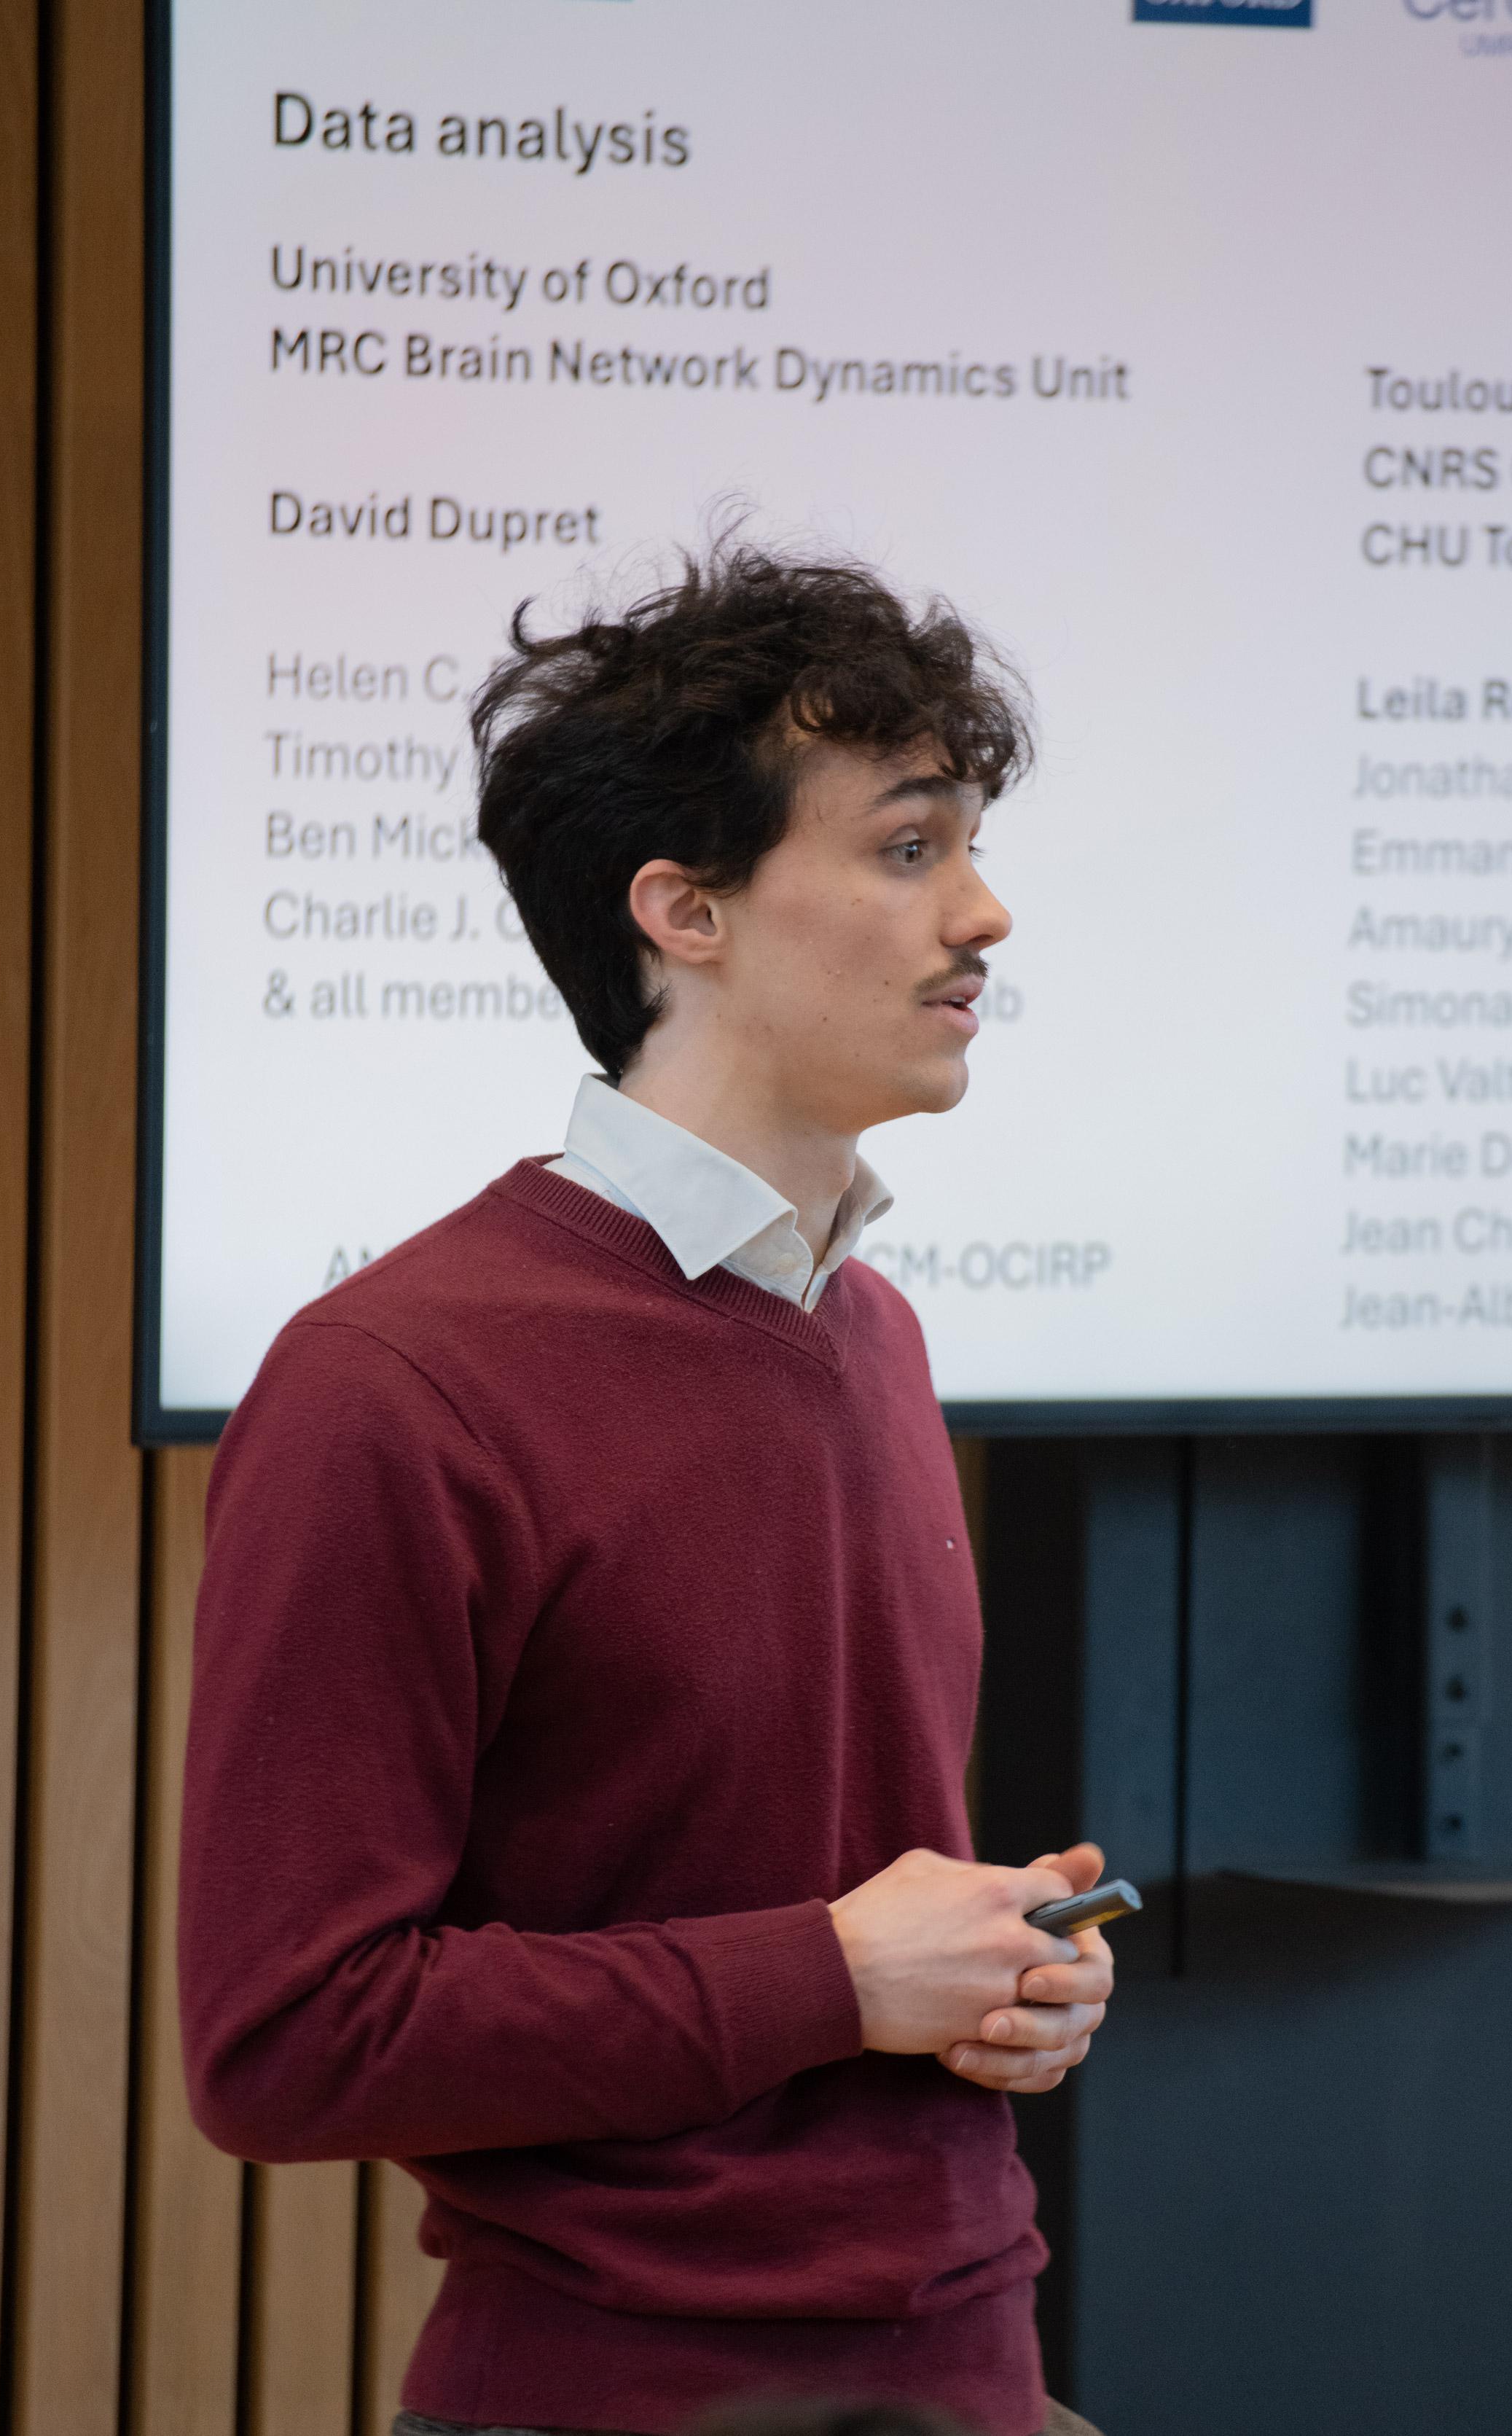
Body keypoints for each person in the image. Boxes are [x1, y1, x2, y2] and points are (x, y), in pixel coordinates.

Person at [178, 537, 1116, 2436]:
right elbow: (287, 2044)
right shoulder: (398, 1386)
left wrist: (989, 1986)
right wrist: (835, 1975)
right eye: (908, 847)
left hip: (969, 2361)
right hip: (626, 2386)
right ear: (683, 911)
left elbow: (804, 1909)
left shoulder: (878, 1337)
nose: (987, 914)